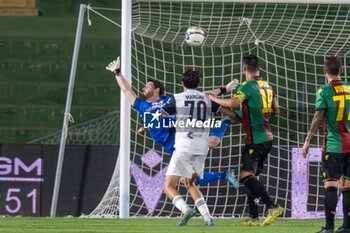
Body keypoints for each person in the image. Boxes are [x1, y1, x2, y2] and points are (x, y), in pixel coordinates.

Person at [105, 57, 240, 188]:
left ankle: (225, 122)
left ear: (157, 89)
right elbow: (127, 90)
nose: (144, 88)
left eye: (148, 85)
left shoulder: (168, 101)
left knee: (214, 142)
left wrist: (223, 90)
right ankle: (224, 175)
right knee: (192, 180)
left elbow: (198, 95)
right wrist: (117, 73)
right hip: (170, 147)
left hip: (181, 137)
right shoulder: (141, 105)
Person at [209, 54, 283, 226]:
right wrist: (221, 108)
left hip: (256, 140)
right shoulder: (268, 86)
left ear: (244, 69)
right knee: (252, 178)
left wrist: (214, 99)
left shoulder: (248, 86)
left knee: (245, 177)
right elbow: (276, 110)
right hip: (266, 138)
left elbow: (234, 103)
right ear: (260, 69)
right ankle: (254, 216)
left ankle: (273, 207)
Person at [160, 69, 220, 226]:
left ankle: (186, 210)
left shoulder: (177, 98)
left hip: (184, 147)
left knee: (168, 186)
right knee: (189, 183)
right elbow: (222, 110)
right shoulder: (207, 99)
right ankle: (208, 218)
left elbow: (162, 113)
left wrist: (174, 119)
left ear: (182, 83)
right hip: (201, 148)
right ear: (199, 83)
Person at [302, 56, 350, 233]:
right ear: (342, 70)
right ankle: (346, 227)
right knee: (347, 185)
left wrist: (307, 141)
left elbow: (318, 117)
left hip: (333, 145)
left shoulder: (324, 91)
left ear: (324, 71)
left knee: (331, 184)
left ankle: (329, 228)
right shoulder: (349, 89)